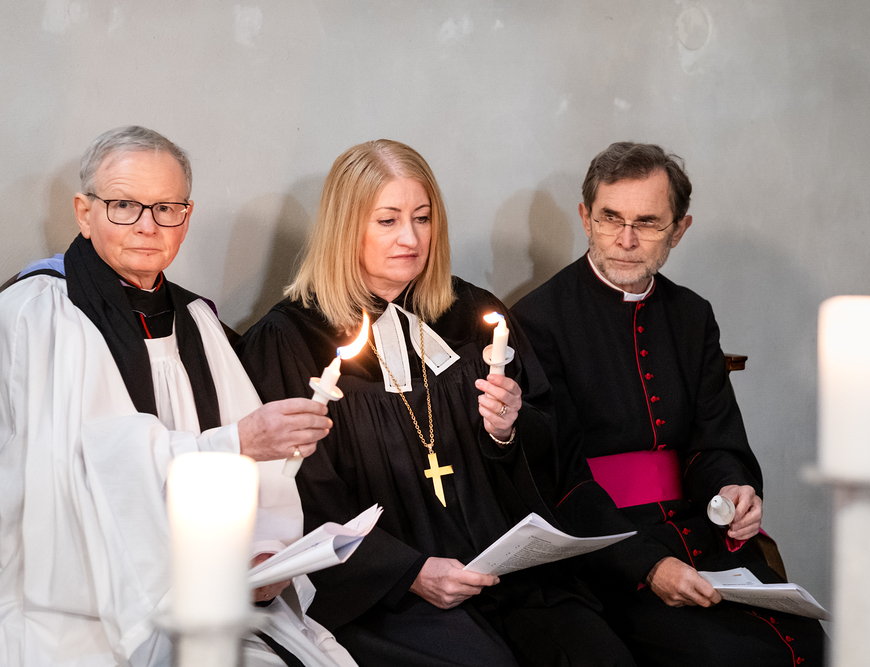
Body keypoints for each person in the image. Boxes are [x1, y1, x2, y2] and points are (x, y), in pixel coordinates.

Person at [237, 139, 637, 667]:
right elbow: (300, 494)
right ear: (345, 227)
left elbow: (551, 445)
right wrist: (408, 572)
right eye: (388, 220)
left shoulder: (474, 315)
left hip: (501, 573)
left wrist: (506, 432)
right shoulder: (291, 340)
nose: (410, 238)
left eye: (422, 218)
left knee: (599, 656)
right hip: (384, 592)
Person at [0, 126, 357, 667]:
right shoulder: (40, 314)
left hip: (210, 594)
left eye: (167, 208)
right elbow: (75, 476)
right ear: (84, 213)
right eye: (124, 205)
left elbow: (261, 474)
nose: (148, 226)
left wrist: (263, 554)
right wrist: (234, 443)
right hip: (80, 608)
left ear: (186, 219)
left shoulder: (197, 321)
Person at [511, 142, 826, 666]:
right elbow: (558, 478)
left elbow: (716, 440)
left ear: (679, 230)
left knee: (807, 643)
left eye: (648, 223)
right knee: (723, 656)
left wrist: (734, 489)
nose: (626, 240)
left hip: (699, 531)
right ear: (586, 217)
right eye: (611, 218)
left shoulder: (691, 315)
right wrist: (647, 566)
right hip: (604, 553)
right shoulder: (538, 321)